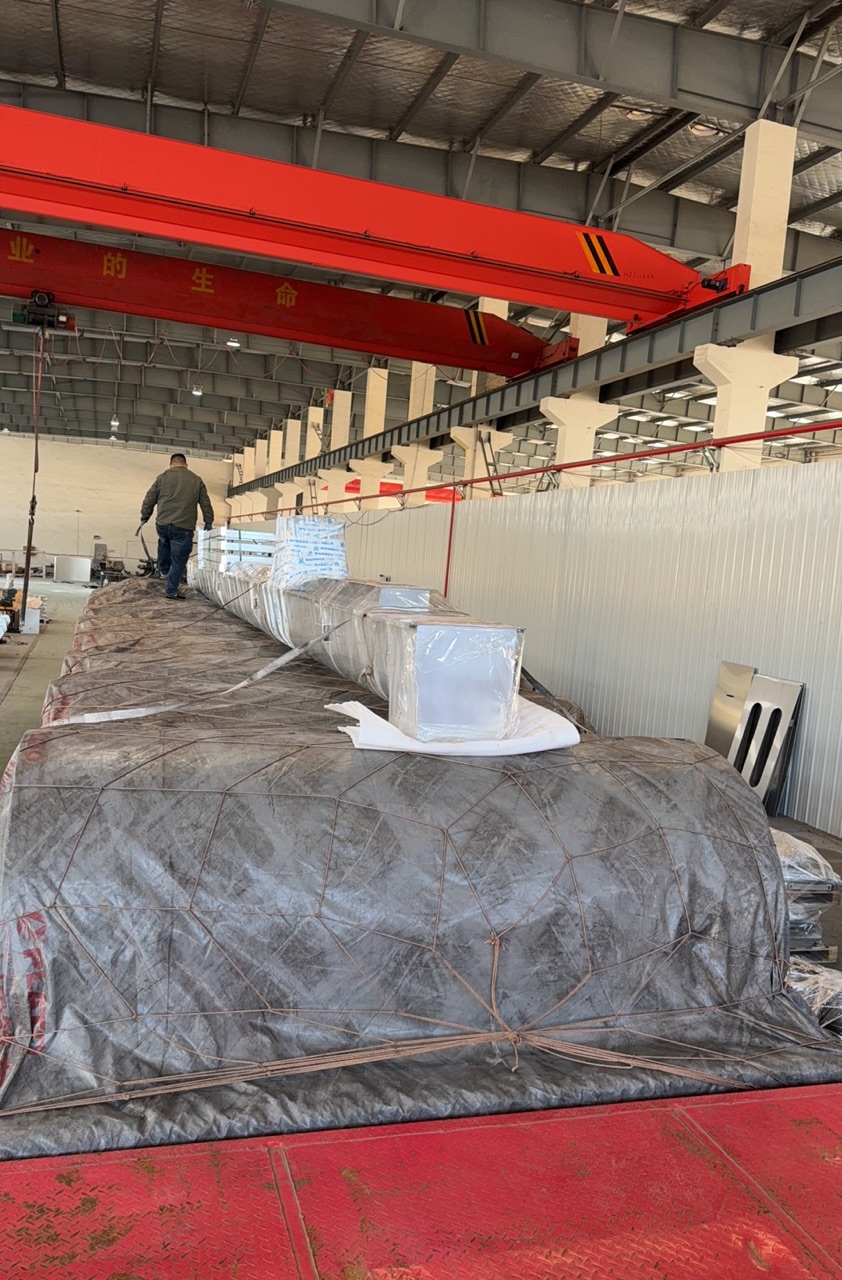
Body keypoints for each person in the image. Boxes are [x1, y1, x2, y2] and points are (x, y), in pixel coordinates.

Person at [140, 453, 214, 600]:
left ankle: (163, 570)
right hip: (183, 526)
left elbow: (150, 498)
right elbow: (205, 503)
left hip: (162, 524)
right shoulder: (196, 480)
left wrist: (145, 516)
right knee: (178, 560)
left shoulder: (162, 478)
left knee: (164, 542)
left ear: (171, 465)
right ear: (186, 465)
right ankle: (171, 591)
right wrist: (208, 521)